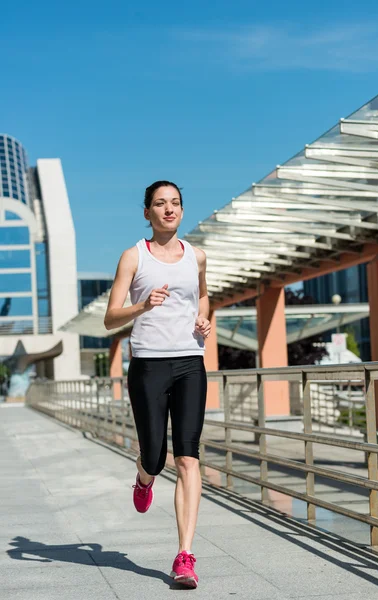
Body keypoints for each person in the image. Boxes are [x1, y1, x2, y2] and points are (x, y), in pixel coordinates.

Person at [104, 180, 211, 589]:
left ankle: (184, 556)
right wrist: (142, 305)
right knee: (156, 454)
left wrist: (205, 318)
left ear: (182, 211)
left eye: (176, 203)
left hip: (189, 363)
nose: (169, 209)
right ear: (146, 212)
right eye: (160, 204)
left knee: (188, 458)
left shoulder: (196, 257)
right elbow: (111, 318)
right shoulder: (134, 257)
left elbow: (203, 297)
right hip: (148, 364)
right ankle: (144, 477)